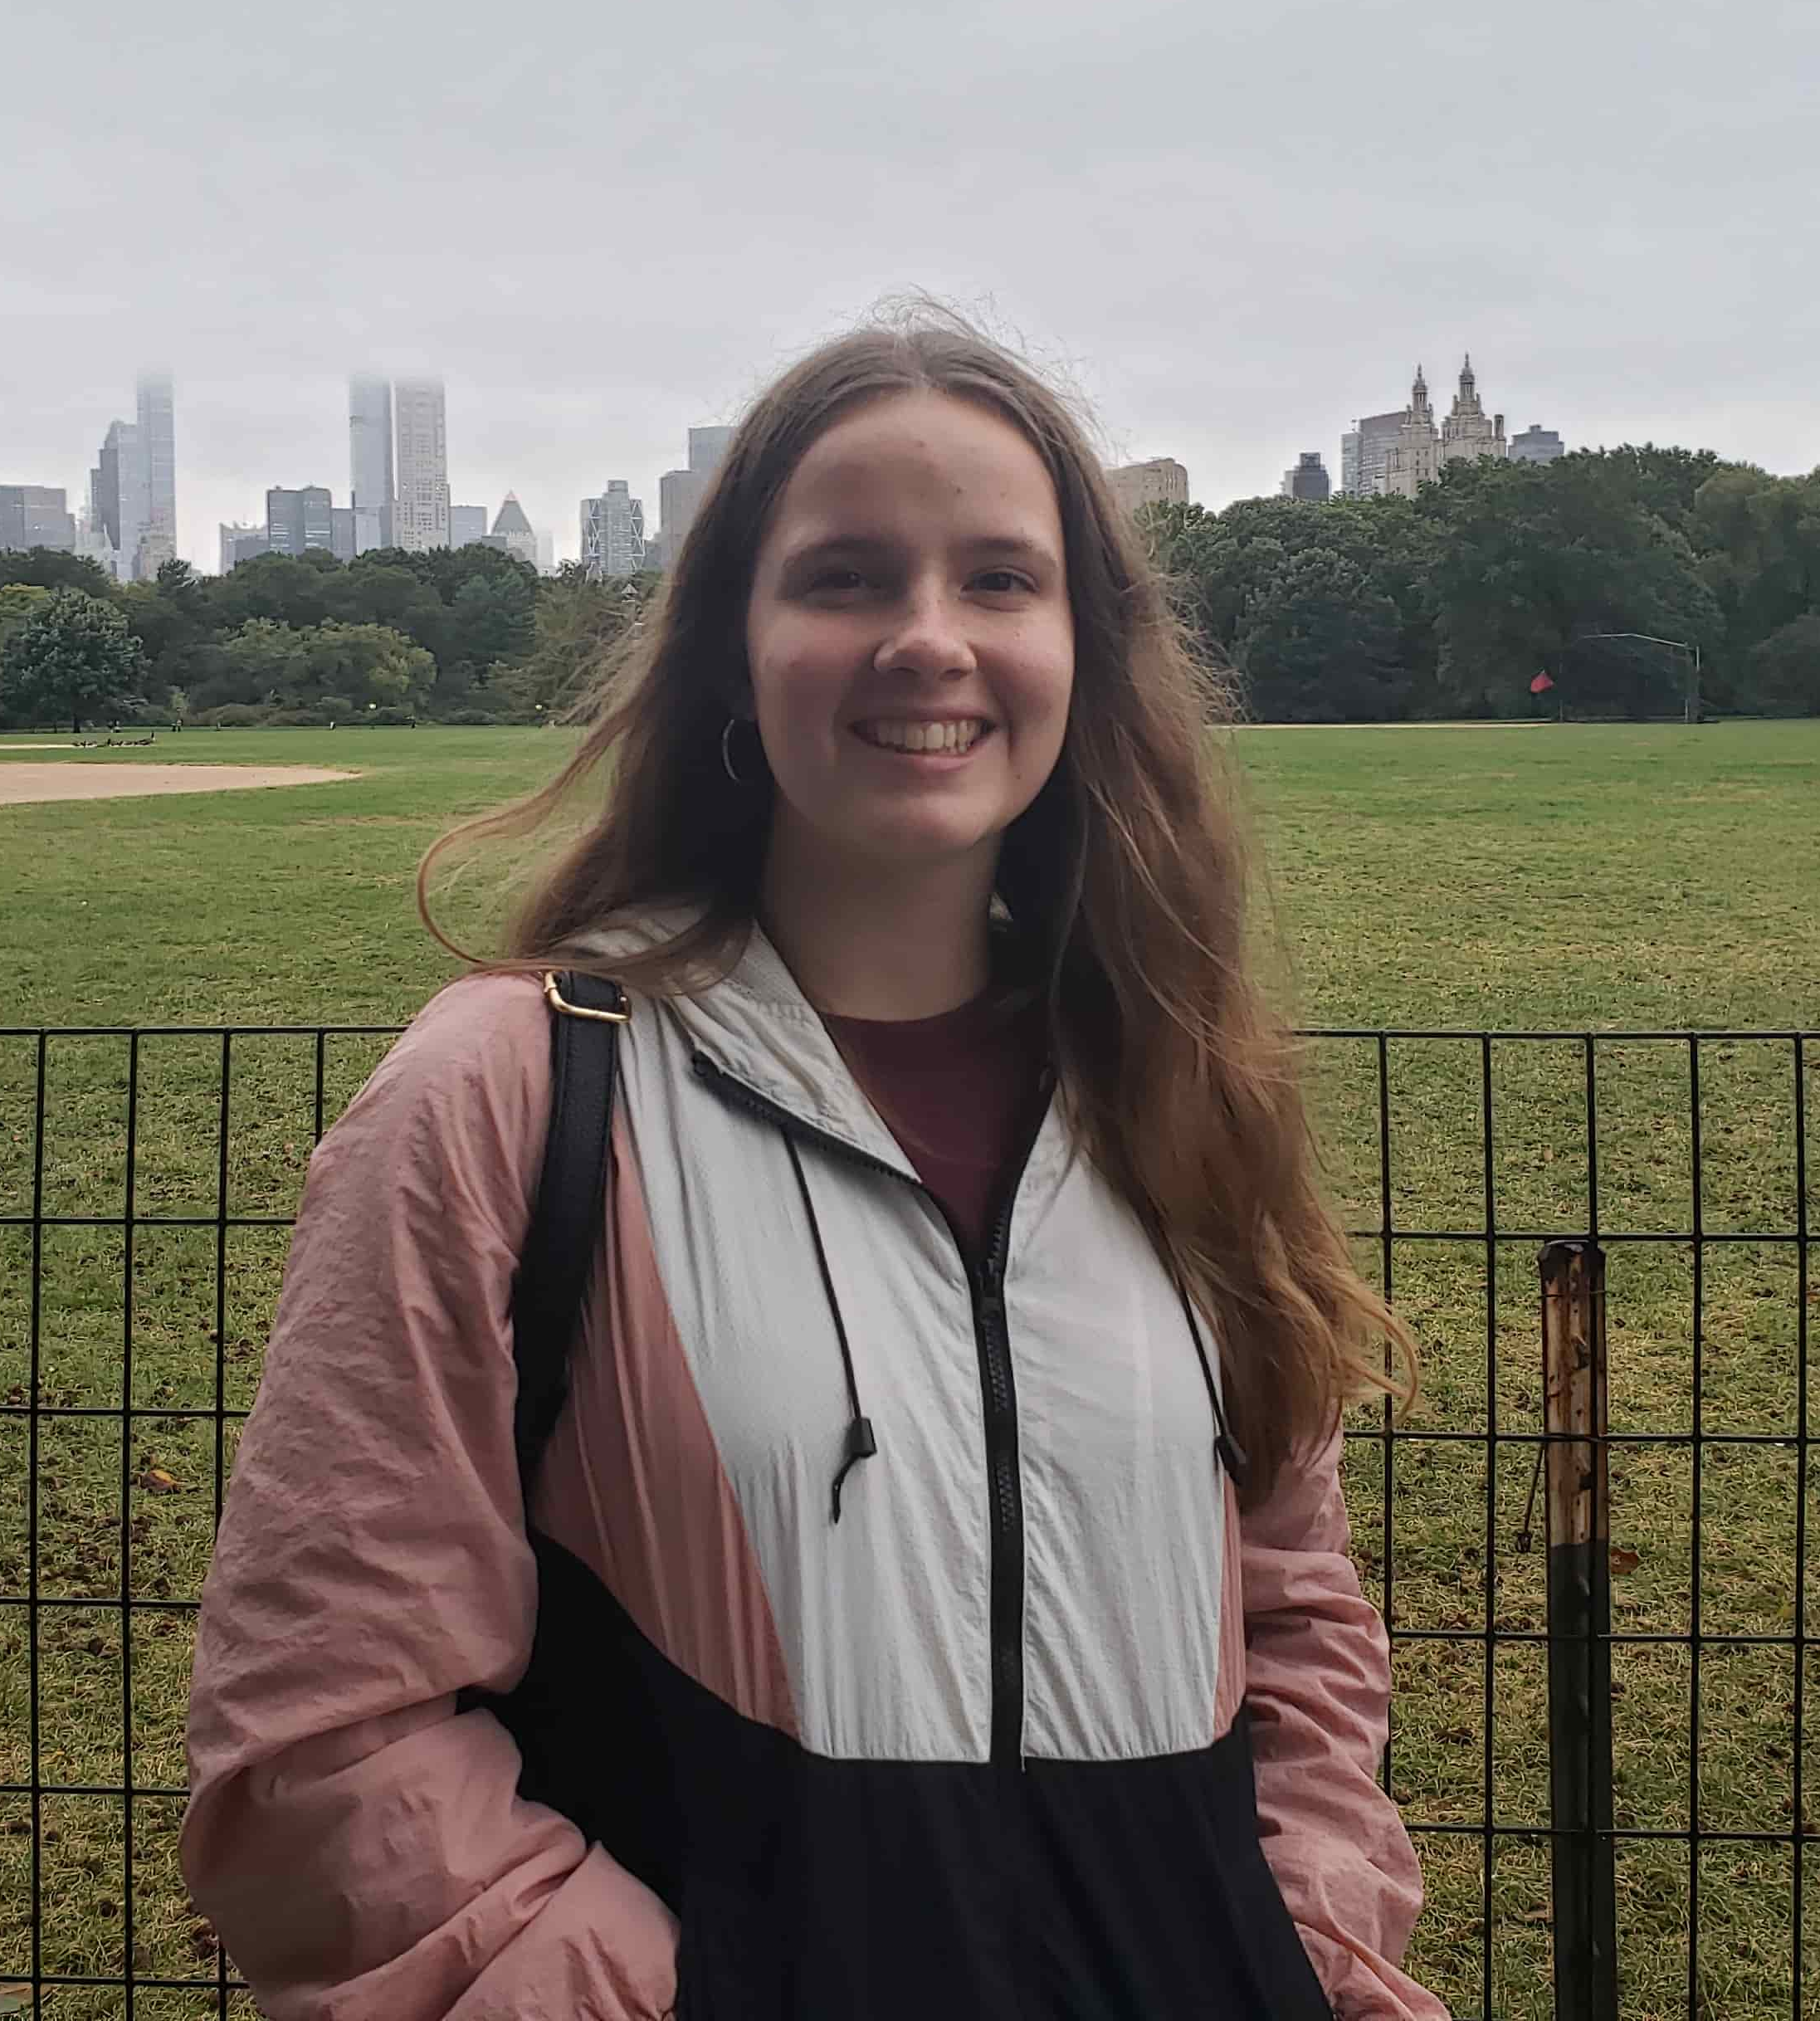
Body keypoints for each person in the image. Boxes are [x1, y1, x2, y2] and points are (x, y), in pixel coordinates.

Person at [184, 306, 1442, 2019]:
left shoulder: (1175, 1083)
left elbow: (1295, 1629)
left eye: (1000, 580)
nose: (929, 639)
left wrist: (1304, 1958)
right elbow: (326, 1741)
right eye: (846, 576)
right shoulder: (507, 1093)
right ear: (732, 646)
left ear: (1086, 647)